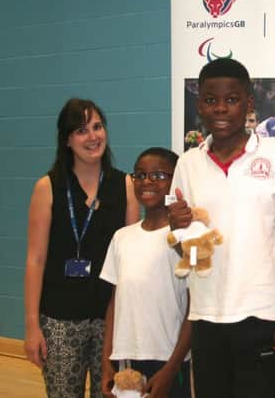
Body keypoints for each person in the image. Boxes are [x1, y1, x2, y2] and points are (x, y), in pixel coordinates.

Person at [167, 58, 275, 397]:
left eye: (231, 99)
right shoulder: (188, 163)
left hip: (264, 312)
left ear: (249, 103)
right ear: (199, 103)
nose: (220, 109)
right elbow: (187, 252)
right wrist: (180, 232)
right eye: (210, 99)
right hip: (206, 314)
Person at [23, 98, 139, 398]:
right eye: (81, 130)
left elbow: (129, 260)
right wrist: (32, 326)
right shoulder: (47, 187)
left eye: (97, 127)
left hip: (109, 320)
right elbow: (35, 260)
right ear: (67, 140)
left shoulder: (124, 185)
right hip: (60, 320)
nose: (93, 137)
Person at [100, 147, 192, 398]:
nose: (147, 182)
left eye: (159, 175)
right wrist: (107, 361)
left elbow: (194, 310)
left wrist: (171, 368)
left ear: (177, 181)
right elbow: (114, 303)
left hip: (170, 362)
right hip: (127, 362)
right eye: (139, 175)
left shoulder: (186, 239)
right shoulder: (122, 237)